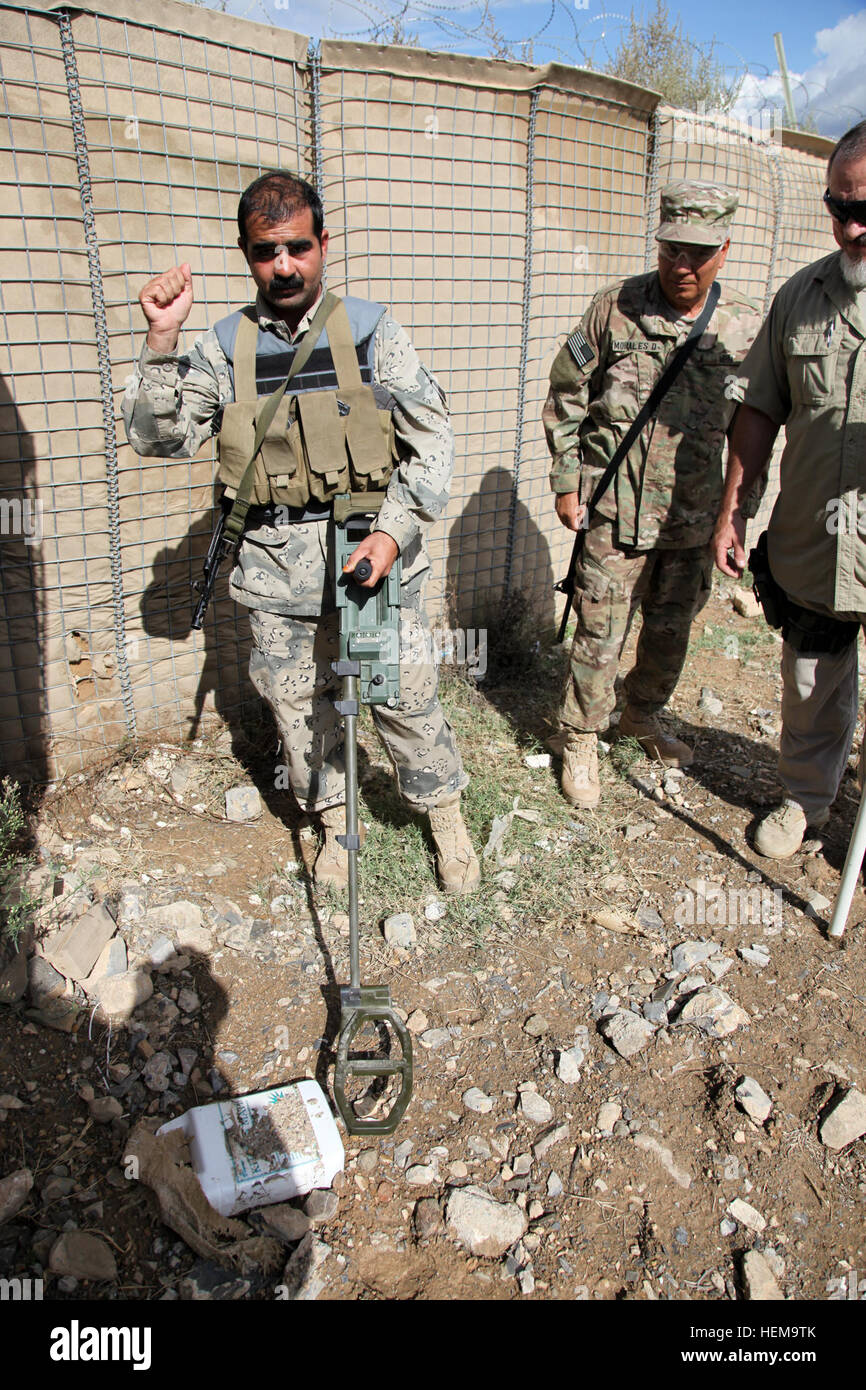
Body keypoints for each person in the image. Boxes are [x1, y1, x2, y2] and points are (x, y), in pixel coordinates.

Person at [123, 170, 480, 894]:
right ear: (246, 254)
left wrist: (393, 531)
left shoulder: (375, 334)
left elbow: (432, 444)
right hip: (274, 570)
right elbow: (159, 440)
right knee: (299, 708)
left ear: (323, 244)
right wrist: (161, 340)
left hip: (369, 554)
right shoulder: (223, 349)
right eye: (264, 252)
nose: (282, 266)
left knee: (400, 695)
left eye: (296, 248)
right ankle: (334, 822)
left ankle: (445, 819)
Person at [543, 181, 763, 807]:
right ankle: (581, 735)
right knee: (599, 630)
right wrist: (567, 480)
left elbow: (760, 422)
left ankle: (640, 715)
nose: (682, 266)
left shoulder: (746, 325)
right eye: (671, 250)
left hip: (694, 518)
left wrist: (738, 514)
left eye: (697, 253)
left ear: (724, 248)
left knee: (672, 630)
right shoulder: (614, 307)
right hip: (614, 510)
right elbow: (565, 394)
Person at [713, 120, 866, 860]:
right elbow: (761, 409)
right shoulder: (800, 297)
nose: (853, 223)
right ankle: (807, 798)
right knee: (811, 675)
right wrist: (734, 510)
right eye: (839, 206)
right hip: (814, 538)